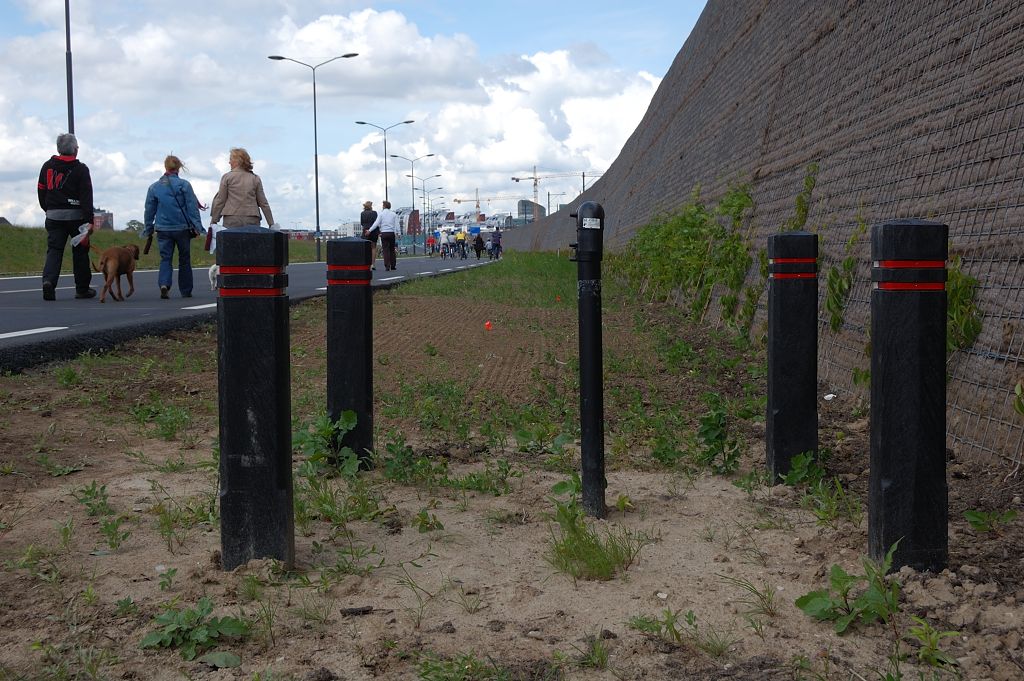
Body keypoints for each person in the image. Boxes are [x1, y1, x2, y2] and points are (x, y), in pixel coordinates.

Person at [37, 133, 95, 300]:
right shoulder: (81, 169)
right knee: (80, 251)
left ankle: (48, 282)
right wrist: (89, 220)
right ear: (75, 149)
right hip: (76, 217)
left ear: (58, 149)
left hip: (54, 215)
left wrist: (47, 209)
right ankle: (82, 289)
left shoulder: (47, 166)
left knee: (54, 250)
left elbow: (41, 190)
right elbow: (86, 196)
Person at [143, 155, 205, 299]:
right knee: (184, 259)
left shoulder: (154, 187)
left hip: (163, 229)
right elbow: (192, 207)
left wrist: (148, 228)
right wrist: (198, 227)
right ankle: (186, 289)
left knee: (165, 258)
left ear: (165, 167)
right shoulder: (184, 185)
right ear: (178, 168)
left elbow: (149, 210)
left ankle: (164, 284)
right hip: (182, 228)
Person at [209, 148, 274, 228]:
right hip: (252, 218)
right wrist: (271, 223)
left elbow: (220, 201)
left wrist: (214, 221)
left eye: (230, 159)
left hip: (231, 218)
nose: (229, 162)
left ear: (237, 161)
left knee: (231, 240)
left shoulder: (227, 177)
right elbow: (263, 203)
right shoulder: (255, 178)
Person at [367, 200, 400, 271]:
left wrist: (369, 230)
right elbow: (397, 224)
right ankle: (393, 266)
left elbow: (376, 224)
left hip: (384, 234)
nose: (382, 206)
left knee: (385, 250)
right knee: (392, 250)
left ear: (384, 206)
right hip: (391, 233)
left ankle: (387, 266)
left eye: (382, 205)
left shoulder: (381, 214)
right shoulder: (394, 214)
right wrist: (398, 233)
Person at [360, 200, 379, 269]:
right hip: (373, 231)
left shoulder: (362, 213)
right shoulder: (374, 213)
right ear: (370, 206)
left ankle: (365, 263)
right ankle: (372, 264)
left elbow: (362, 223)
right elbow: (376, 223)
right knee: (373, 248)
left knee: (365, 248)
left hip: (365, 231)